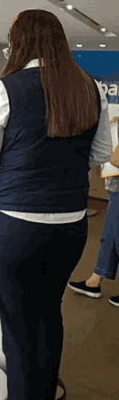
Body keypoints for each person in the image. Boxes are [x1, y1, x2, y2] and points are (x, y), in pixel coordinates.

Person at [0, 9, 112, 400]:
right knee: (50, 313)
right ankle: (47, 396)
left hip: (15, 229)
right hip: (70, 226)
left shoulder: (6, 89)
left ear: (21, 43)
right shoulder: (90, 87)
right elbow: (100, 152)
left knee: (19, 329)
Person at [68, 116, 119, 307]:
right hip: (116, 186)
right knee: (110, 237)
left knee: (116, 235)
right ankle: (95, 280)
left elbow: (115, 158)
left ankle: (95, 280)